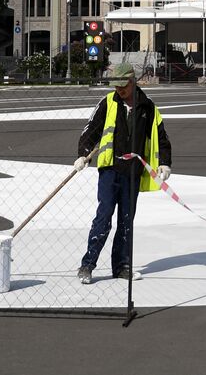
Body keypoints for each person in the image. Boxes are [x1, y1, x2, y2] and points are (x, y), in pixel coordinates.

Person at [74, 62, 172, 284]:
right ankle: (87, 265)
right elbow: (91, 130)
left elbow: (161, 137)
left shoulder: (147, 108)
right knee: (103, 217)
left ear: (133, 81)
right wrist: (83, 154)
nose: (119, 90)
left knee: (126, 221)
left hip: (133, 173)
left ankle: (121, 266)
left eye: (123, 86)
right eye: (116, 86)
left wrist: (165, 163)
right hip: (110, 170)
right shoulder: (108, 103)